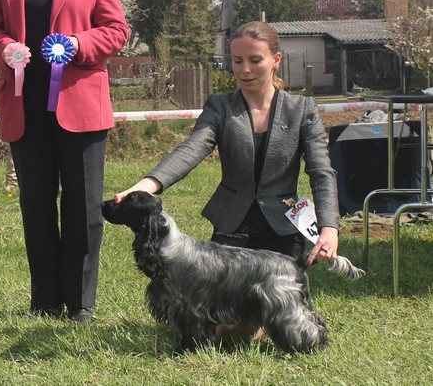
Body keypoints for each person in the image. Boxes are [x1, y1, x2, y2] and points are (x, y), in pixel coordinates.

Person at [113, 21, 340, 343]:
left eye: (255, 60)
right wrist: (147, 184)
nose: (245, 70)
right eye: (237, 61)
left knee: (270, 312)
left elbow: (321, 172)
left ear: (275, 59)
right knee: (228, 331)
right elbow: (192, 149)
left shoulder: (301, 109)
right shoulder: (220, 106)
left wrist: (329, 228)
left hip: (281, 230)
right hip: (233, 230)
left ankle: (268, 318)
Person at [0, 0, 129, 322]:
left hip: (80, 101)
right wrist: (4, 48)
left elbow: (117, 30)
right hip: (24, 102)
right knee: (36, 204)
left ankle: (79, 303)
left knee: (83, 207)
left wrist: (78, 45)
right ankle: (44, 300)